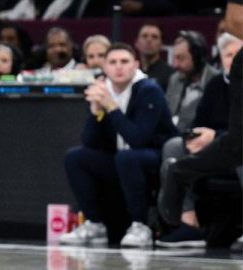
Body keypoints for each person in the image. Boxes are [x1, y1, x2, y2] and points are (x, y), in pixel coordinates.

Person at [58, 43, 177, 248]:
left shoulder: (149, 90)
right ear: (104, 67)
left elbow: (138, 139)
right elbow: (90, 142)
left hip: (154, 158)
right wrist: (96, 112)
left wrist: (111, 107)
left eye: (124, 62)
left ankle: (140, 226)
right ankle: (94, 224)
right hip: (122, 159)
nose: (119, 67)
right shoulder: (103, 90)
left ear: (136, 65)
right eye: (112, 62)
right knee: (75, 157)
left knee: (127, 157)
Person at [155, 31, 239, 248]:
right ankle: (188, 221)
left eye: (239, 54)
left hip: (235, 147)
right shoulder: (215, 85)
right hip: (217, 148)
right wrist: (197, 136)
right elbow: (199, 121)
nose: (235, 60)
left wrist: (217, 136)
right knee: (174, 147)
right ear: (220, 58)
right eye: (229, 55)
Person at [135, 22, 174, 88]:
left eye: (154, 37)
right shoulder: (131, 73)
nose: (149, 40)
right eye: (144, 36)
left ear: (161, 44)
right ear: (137, 43)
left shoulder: (171, 75)